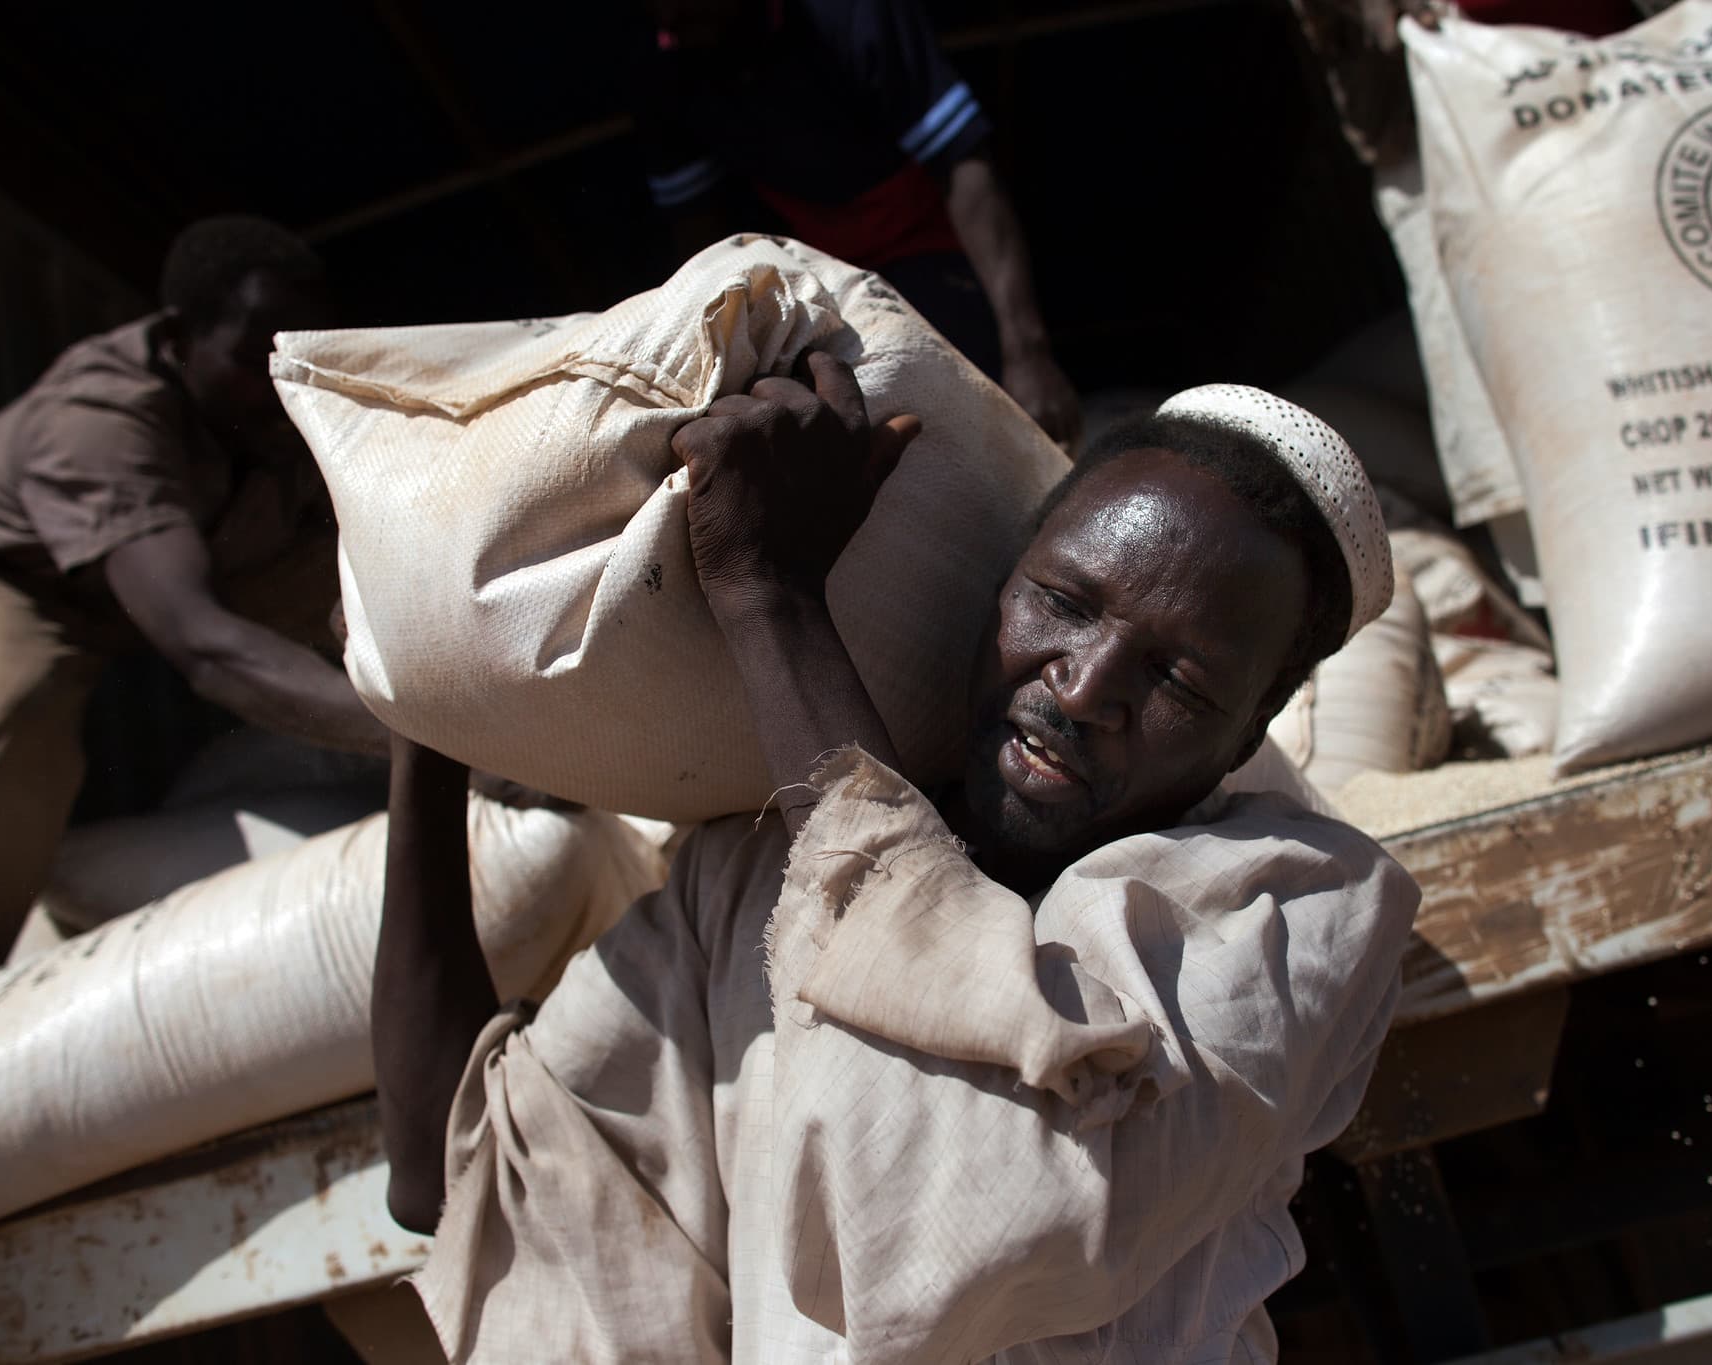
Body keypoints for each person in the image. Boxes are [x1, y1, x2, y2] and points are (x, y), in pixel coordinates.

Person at [373, 363, 1418, 1361]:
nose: (1084, 686)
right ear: (995, 583)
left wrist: (769, 599)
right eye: (1059, 602)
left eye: (1177, 684)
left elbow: (967, 1210)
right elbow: (454, 1179)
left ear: (1242, 741)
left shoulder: (1290, 907)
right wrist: (422, 719)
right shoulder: (747, 884)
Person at [0, 215, 385, 1006]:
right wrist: (414, 730)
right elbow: (204, 647)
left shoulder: (275, 394)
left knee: (366, 573)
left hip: (199, 560)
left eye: (290, 348)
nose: (275, 375)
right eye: (247, 353)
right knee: (16, 705)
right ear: (177, 337)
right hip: (20, 585)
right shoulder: (98, 423)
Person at [634, 0, 1084, 445]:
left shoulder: (850, 12)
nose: (669, 23)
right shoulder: (665, 62)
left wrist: (1027, 353)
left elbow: (962, 162)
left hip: (923, 245)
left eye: (685, 7)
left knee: (953, 405)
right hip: (816, 274)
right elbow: (697, 233)